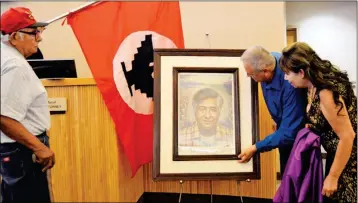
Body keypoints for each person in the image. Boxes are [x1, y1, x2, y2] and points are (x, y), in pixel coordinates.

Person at [279, 42, 357, 203]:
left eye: (287, 73)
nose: (286, 78)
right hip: (336, 154)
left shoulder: (326, 92)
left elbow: (348, 136)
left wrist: (333, 177)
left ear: (301, 72)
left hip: (348, 160)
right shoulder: (312, 85)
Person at [0, 7, 55, 203]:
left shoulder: (5, 57)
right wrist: (39, 147)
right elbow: (4, 117)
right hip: (22, 150)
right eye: (33, 33)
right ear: (15, 36)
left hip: (14, 149)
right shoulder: (15, 65)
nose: (39, 38)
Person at [237, 46, 307, 174]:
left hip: (298, 141)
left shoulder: (291, 85)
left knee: (295, 181)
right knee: (286, 177)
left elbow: (289, 133)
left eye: (251, 74)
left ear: (266, 71)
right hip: (284, 131)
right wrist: (277, 117)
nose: (248, 76)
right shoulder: (271, 59)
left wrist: (256, 148)